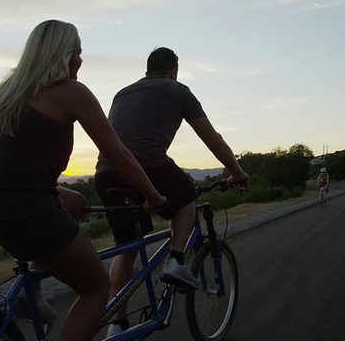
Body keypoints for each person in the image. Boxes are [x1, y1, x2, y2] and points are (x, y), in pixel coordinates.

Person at [0, 20, 167, 341]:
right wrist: (153, 196)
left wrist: (64, 195)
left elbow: (13, 166)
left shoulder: (8, 94)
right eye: (78, 52)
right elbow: (119, 155)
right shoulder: (70, 92)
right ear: (63, 54)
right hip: (18, 204)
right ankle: (34, 292)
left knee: (66, 207)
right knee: (96, 287)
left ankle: (31, 291)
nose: (81, 60)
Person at [94, 47, 250, 336]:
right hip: (149, 166)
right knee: (186, 198)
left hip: (106, 172)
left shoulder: (122, 93)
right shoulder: (178, 89)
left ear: (147, 69)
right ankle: (176, 261)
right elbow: (212, 139)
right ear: (174, 70)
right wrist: (237, 172)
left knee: (127, 245)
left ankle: (117, 323)